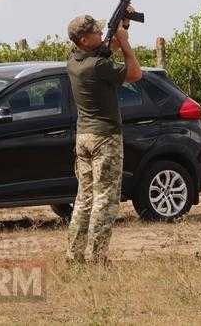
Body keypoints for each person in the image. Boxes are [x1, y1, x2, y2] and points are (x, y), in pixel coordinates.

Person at [65, 14, 142, 265]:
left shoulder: (75, 61)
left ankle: (74, 255)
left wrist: (123, 24)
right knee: (105, 199)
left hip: (84, 136)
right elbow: (134, 73)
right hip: (104, 137)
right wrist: (125, 43)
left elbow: (106, 49)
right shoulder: (97, 66)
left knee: (84, 197)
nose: (101, 35)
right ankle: (97, 257)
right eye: (96, 33)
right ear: (84, 39)